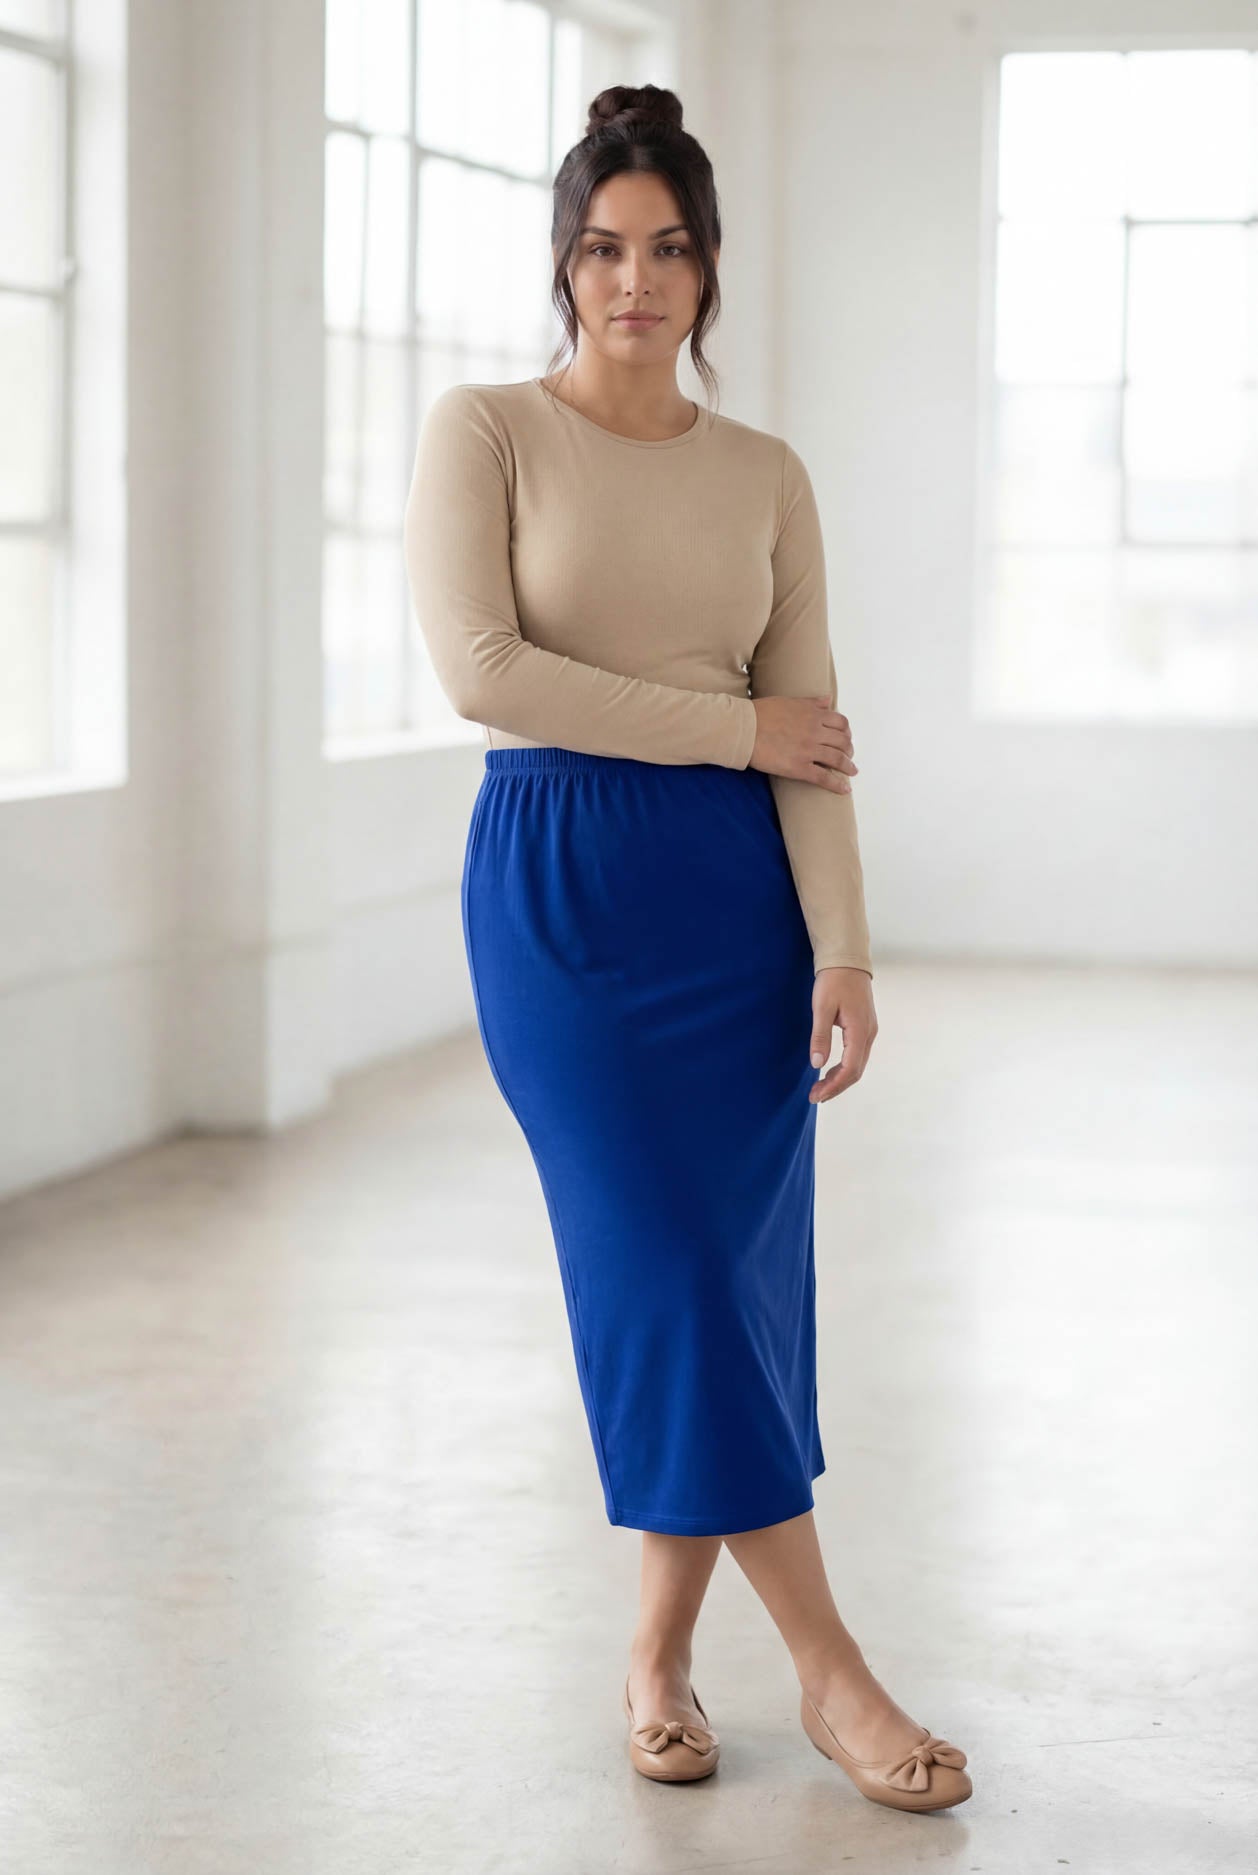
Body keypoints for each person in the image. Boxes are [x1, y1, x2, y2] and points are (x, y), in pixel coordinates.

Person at [403, 83, 971, 1815]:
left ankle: (653, 1659)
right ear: (562, 268)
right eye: (598, 249)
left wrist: (846, 949)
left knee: (723, 1289)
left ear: (707, 273)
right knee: (659, 1266)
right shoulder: (486, 430)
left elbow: (811, 736)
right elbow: (485, 674)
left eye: (663, 250)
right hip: (564, 895)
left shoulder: (766, 476)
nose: (630, 282)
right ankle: (828, 1671)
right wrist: (724, 733)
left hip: (737, 911)